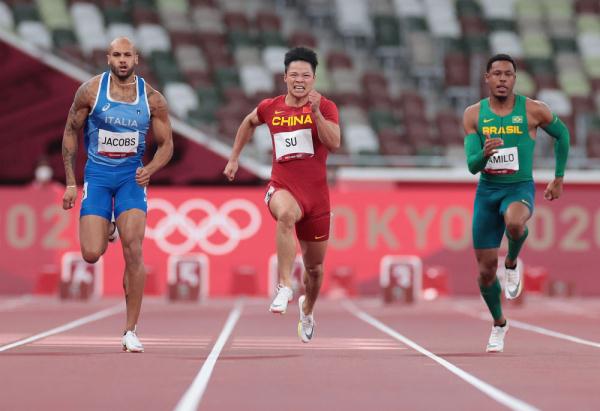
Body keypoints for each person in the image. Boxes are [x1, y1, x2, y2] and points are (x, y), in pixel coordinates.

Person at [61, 37, 173, 352]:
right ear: (108, 58)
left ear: (136, 59)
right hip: (97, 177)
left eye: (127, 55)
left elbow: (167, 144)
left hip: (131, 179)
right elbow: (70, 131)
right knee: (91, 254)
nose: (122, 60)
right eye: (117, 55)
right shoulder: (91, 91)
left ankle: (130, 330)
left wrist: (150, 168)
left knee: (134, 250)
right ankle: (107, 227)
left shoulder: (152, 99)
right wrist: (71, 182)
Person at [223, 47, 341, 343]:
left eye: (306, 75)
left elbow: (335, 143)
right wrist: (234, 157)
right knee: (286, 215)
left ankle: (308, 309)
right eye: (294, 75)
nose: (300, 80)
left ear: (314, 78)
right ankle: (284, 285)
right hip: (283, 187)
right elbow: (249, 122)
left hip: (317, 197)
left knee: (314, 269)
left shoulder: (325, 107)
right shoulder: (270, 107)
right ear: (284, 77)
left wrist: (315, 114)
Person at [463, 54, 570, 352]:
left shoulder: (534, 110)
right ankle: (499, 324)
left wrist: (558, 177)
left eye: (507, 74)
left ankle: (511, 262)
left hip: (519, 187)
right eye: (496, 74)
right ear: (486, 78)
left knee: (514, 222)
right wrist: (484, 154)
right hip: (487, 192)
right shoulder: (473, 115)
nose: (501, 79)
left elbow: (563, 135)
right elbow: (472, 166)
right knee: (484, 272)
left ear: (514, 79)